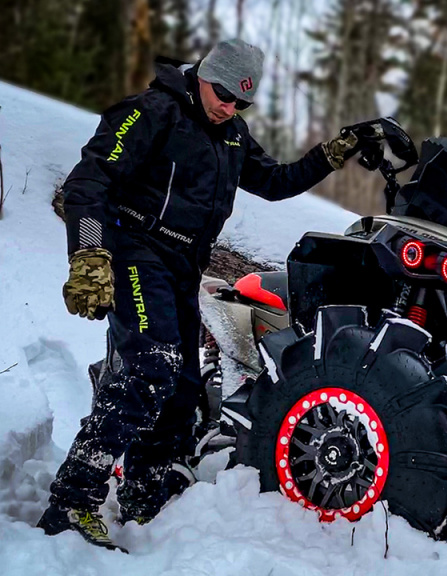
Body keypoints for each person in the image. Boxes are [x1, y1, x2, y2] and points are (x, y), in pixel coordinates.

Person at [38, 39, 365, 552]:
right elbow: (90, 179)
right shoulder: (153, 112)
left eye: (240, 102)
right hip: (135, 248)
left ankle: (144, 493)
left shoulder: (232, 135)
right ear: (203, 75)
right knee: (154, 365)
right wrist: (89, 254)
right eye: (222, 94)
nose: (228, 108)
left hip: (181, 266)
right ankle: (73, 498)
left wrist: (330, 155)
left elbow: (275, 182)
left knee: (182, 385)